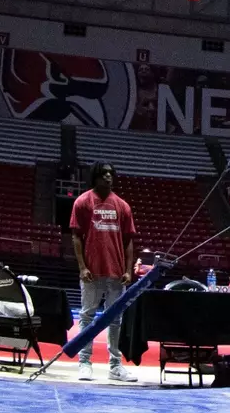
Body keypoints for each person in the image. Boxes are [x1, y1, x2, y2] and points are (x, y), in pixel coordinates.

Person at [71, 162, 138, 382]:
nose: (108, 178)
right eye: (104, 174)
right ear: (95, 177)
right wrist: (82, 267)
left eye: (111, 174)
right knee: (87, 316)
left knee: (115, 319)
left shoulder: (122, 206)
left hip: (116, 272)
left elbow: (128, 241)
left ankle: (115, 366)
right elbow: (76, 237)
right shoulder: (82, 202)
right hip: (91, 271)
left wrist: (128, 270)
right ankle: (84, 363)